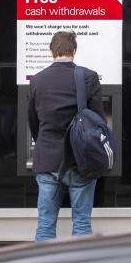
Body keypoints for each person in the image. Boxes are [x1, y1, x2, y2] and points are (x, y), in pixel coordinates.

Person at [27, 30, 105, 241]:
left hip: (48, 160)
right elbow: (98, 121)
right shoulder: (88, 77)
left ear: (52, 52)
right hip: (80, 160)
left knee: (45, 223)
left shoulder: (37, 80)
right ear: (74, 51)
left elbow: (33, 122)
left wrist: (44, 143)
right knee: (81, 222)